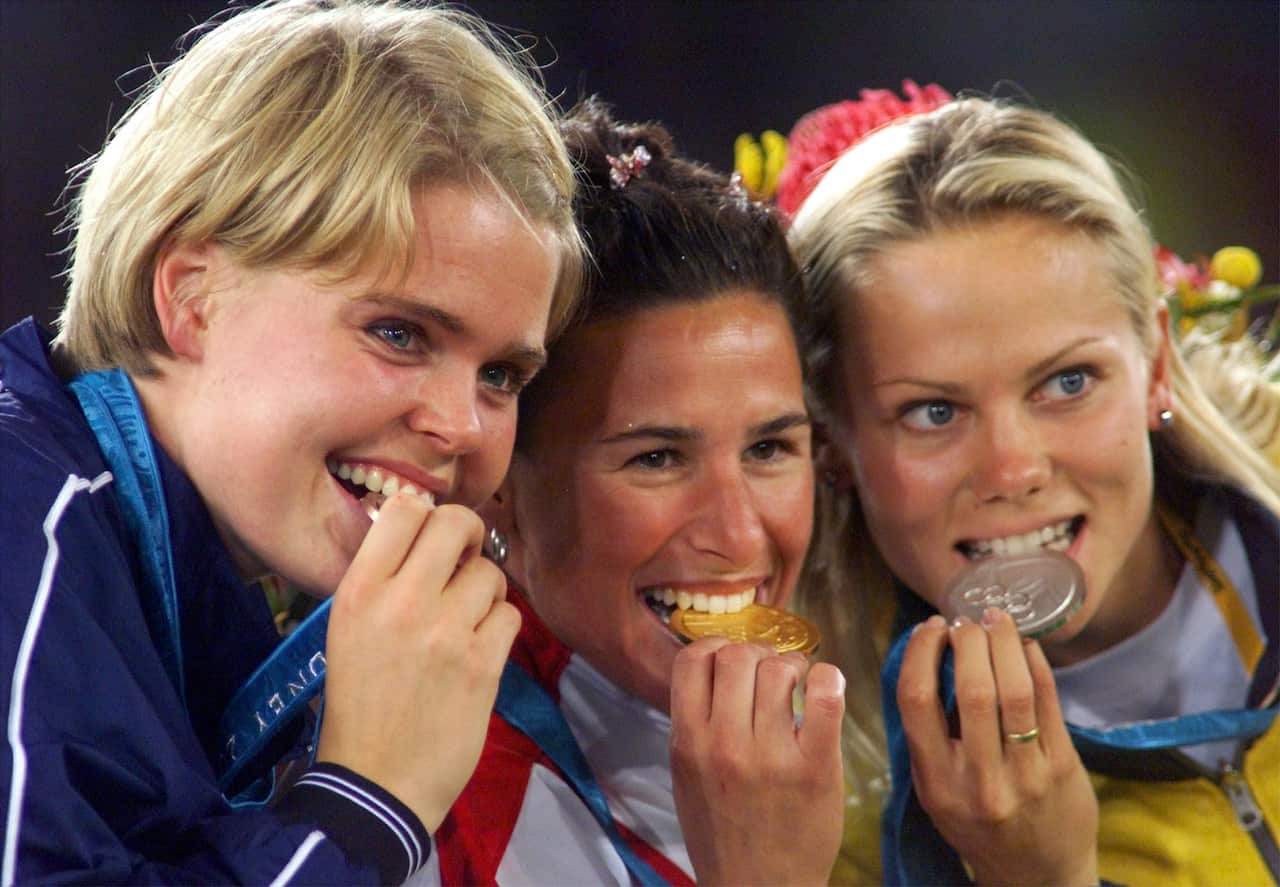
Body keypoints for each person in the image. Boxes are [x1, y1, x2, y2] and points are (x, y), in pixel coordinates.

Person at [0, 1, 583, 883]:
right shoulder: (18, 521)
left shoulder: (174, 560)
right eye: (399, 333)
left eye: (500, 375)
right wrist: (363, 798)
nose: (462, 426)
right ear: (193, 299)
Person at [784, 92, 1280, 885]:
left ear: (1154, 364)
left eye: (1068, 381)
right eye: (933, 411)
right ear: (833, 443)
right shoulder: (832, 819)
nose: (1013, 470)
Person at [419, 98, 847, 886]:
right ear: (501, 484)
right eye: (656, 458)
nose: (741, 535)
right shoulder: (431, 820)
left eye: (769, 447)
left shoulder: (887, 726)